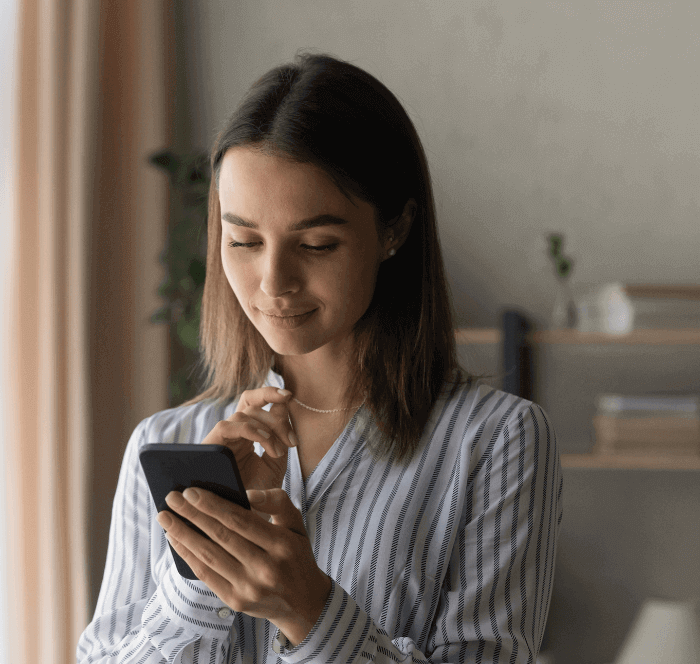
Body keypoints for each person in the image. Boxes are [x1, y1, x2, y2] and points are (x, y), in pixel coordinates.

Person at [77, 51, 563, 664]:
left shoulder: (497, 440)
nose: (273, 281)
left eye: (316, 243)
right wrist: (194, 579)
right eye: (243, 241)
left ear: (395, 229)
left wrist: (309, 611)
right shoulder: (167, 442)